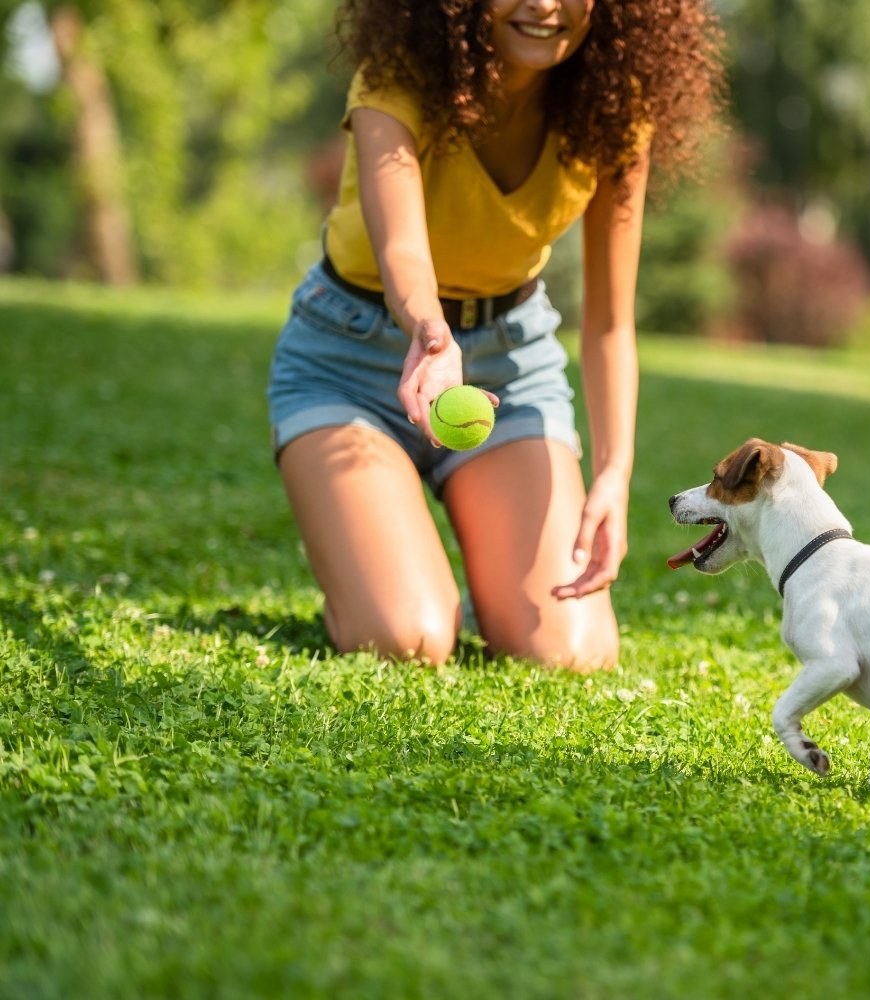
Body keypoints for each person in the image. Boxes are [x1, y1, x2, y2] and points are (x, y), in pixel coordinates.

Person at [266, 0, 722, 669]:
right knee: (406, 638)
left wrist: (614, 473)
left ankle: (480, 589)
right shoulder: (397, 75)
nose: (544, 4)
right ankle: (373, 580)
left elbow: (610, 322)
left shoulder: (615, 107)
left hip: (510, 369)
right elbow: (404, 256)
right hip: (349, 359)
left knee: (573, 652)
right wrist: (430, 332)